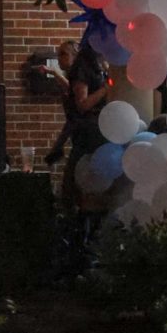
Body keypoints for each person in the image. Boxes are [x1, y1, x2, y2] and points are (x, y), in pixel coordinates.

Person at [61, 42, 111, 212]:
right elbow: (82, 104)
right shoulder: (82, 68)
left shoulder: (100, 65)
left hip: (100, 130)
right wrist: (106, 89)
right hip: (88, 132)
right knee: (81, 177)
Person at [43, 40, 79, 165]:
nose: (59, 59)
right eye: (58, 55)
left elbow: (74, 90)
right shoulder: (69, 76)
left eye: (63, 54)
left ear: (75, 56)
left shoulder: (81, 75)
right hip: (76, 133)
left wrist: (54, 72)